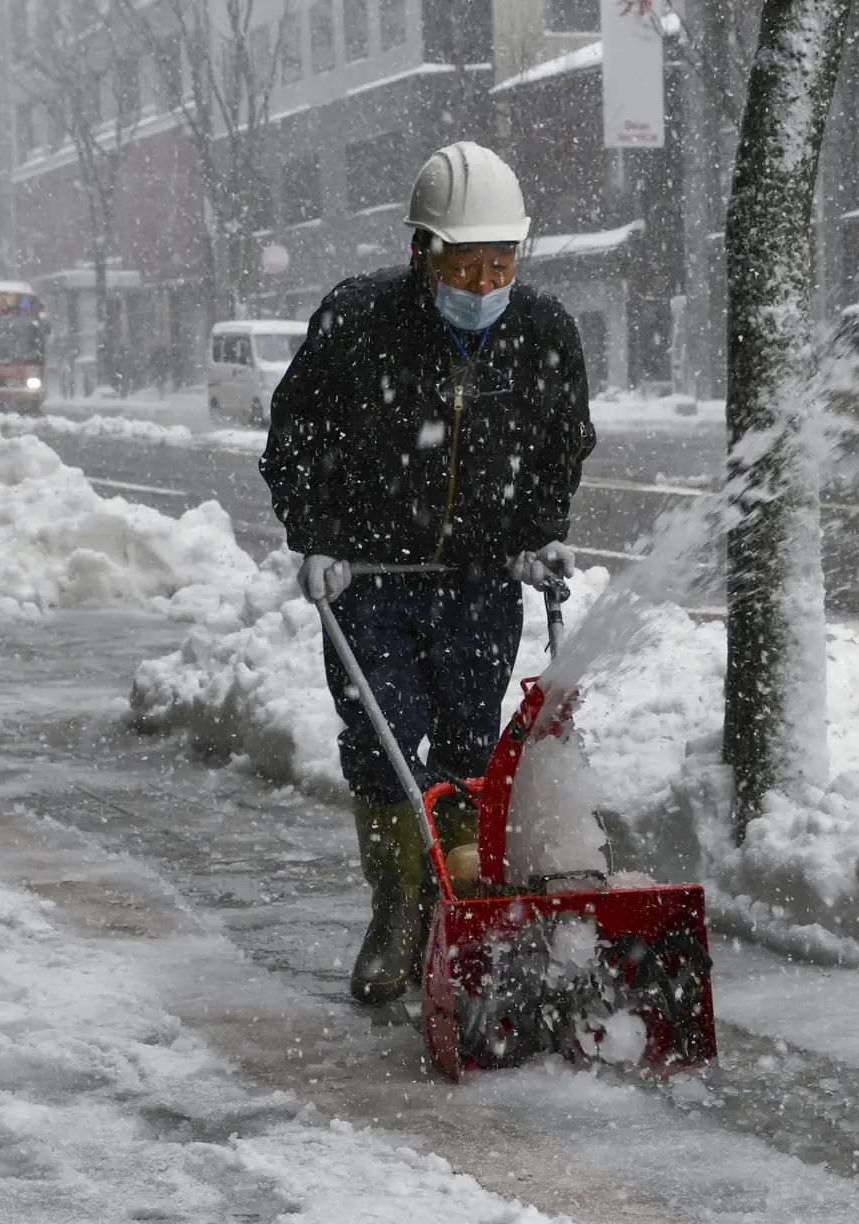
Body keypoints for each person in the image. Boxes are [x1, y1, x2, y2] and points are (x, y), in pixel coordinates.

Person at [260, 141, 595, 1007]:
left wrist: (540, 534)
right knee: (383, 741)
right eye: (466, 263)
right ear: (422, 252)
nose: (485, 284)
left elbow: (562, 446)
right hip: (371, 580)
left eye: (501, 263)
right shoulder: (360, 321)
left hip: (477, 581)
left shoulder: (544, 332)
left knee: (468, 745)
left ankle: (463, 906)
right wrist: (319, 536)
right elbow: (295, 437)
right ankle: (400, 910)